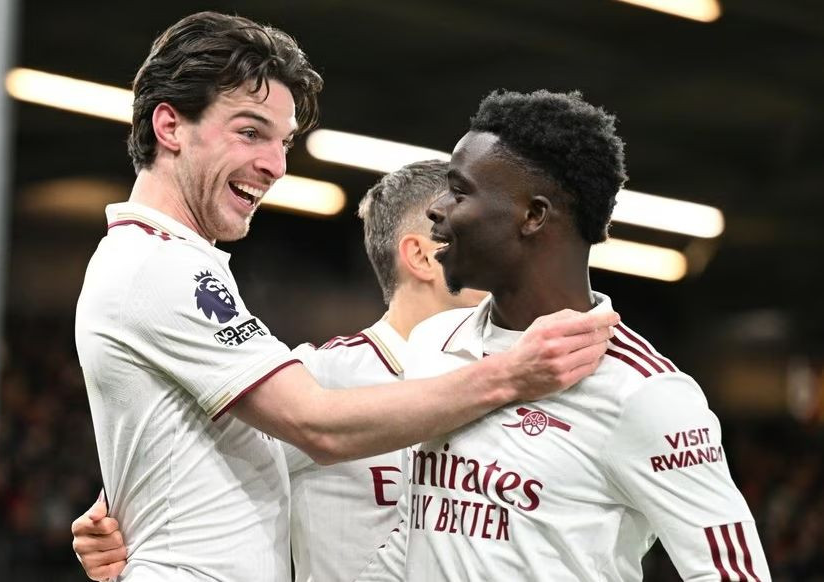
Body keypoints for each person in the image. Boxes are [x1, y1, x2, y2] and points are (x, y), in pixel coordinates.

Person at [74, 11, 618, 582]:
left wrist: (123, 503)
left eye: (284, 141)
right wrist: (513, 375)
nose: (276, 165)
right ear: (169, 126)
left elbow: (215, 442)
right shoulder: (161, 266)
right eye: (250, 132)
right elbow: (315, 423)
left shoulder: (165, 262)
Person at [358, 89, 771, 581]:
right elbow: (416, 533)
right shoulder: (433, 342)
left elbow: (734, 572)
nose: (437, 208)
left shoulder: (643, 392)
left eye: (460, 191)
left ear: (533, 216)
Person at [72, 160, 487, 582]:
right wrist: (111, 519)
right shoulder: (317, 381)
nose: (504, 256)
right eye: (481, 237)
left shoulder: (508, 384)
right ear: (421, 256)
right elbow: (180, 467)